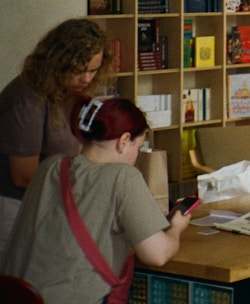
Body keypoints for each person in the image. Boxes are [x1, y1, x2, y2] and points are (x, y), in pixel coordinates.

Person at [0, 95, 190, 302]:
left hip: (16, 296)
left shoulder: (52, 166)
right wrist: (176, 228)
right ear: (124, 141)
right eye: (138, 147)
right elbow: (157, 255)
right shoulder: (122, 176)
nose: (137, 156)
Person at [0, 18, 113, 261]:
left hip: (51, 201)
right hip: (16, 207)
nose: (86, 79)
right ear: (57, 62)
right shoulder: (26, 101)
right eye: (78, 70)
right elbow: (24, 175)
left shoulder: (66, 93)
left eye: (92, 70)